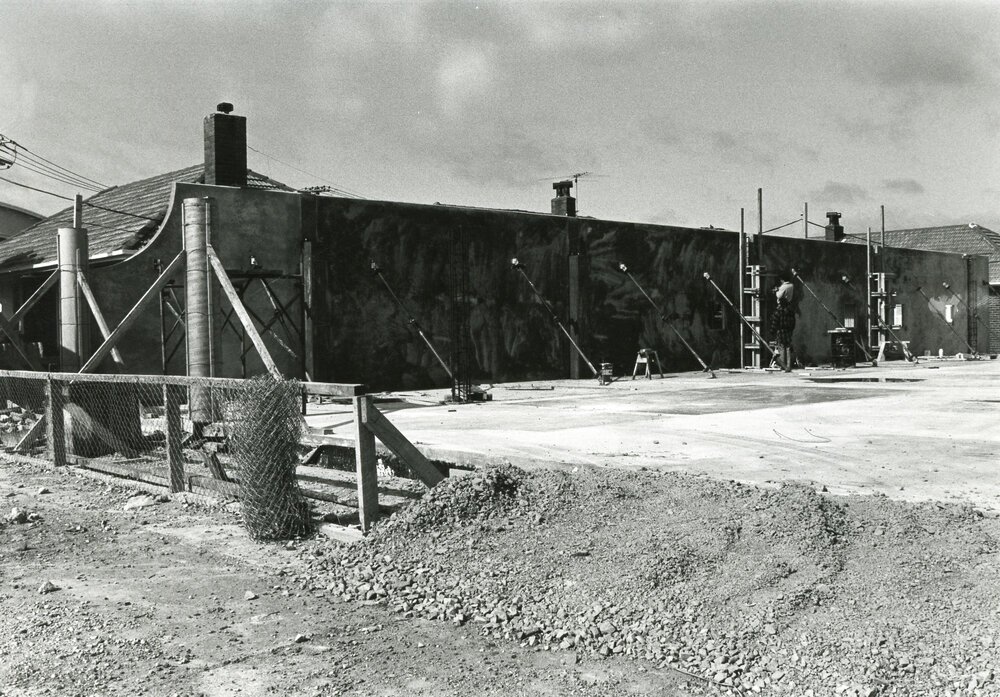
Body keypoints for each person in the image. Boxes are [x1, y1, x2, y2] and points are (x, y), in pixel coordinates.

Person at [770, 276, 796, 372]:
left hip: (780, 331)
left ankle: (783, 365)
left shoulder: (778, 312)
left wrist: (772, 331)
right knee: (788, 347)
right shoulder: (790, 311)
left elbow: (775, 322)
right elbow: (793, 322)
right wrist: (792, 329)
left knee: (781, 347)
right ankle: (788, 366)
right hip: (788, 330)